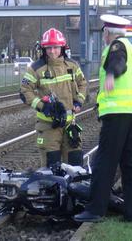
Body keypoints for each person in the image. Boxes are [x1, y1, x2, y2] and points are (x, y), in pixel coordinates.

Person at [73, 14, 132, 224]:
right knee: (129, 164)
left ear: (107, 33)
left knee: (104, 162)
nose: (104, 38)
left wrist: (110, 74)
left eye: (104, 34)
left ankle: (95, 210)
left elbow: (118, 64)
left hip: (117, 114)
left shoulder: (117, 47)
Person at [20, 28, 87, 168]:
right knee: (52, 167)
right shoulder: (36, 68)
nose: (52, 51)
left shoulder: (72, 66)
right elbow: (24, 91)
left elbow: (83, 84)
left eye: (55, 47)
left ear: (62, 47)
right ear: (43, 49)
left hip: (70, 126)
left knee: (75, 165)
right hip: (48, 126)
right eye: (48, 48)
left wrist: (79, 101)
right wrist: (43, 106)